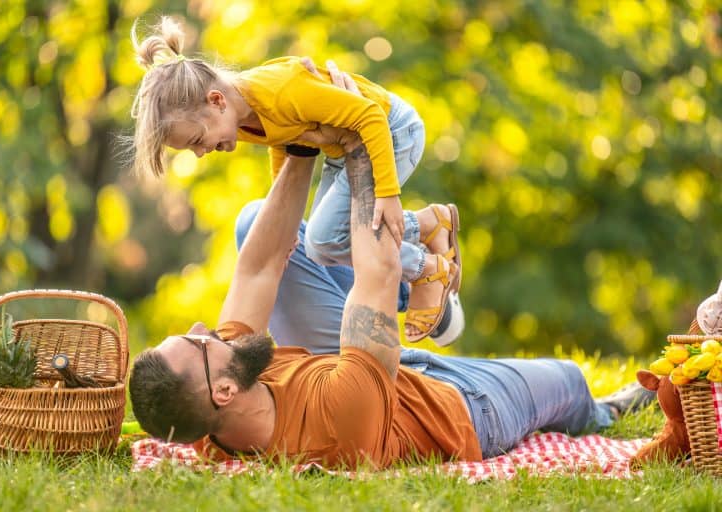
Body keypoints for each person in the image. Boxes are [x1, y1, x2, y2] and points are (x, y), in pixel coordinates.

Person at [129, 111, 654, 468]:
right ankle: (605, 411)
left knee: (254, 224)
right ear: (222, 391)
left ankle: (429, 274)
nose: (203, 329)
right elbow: (373, 272)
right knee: (567, 382)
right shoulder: (340, 419)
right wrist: (358, 141)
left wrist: (301, 141)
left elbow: (260, 266)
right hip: (462, 407)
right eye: (197, 343)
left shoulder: (214, 416)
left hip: (376, 364)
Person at [129, 16, 456, 342]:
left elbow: (369, 115)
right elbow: (280, 144)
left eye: (197, 140)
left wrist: (388, 194)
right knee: (320, 248)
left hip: (391, 130)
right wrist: (284, 222)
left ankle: (427, 269)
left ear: (216, 101)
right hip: (342, 149)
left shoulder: (280, 92)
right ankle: (428, 224)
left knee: (325, 239)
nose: (201, 153)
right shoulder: (238, 117)